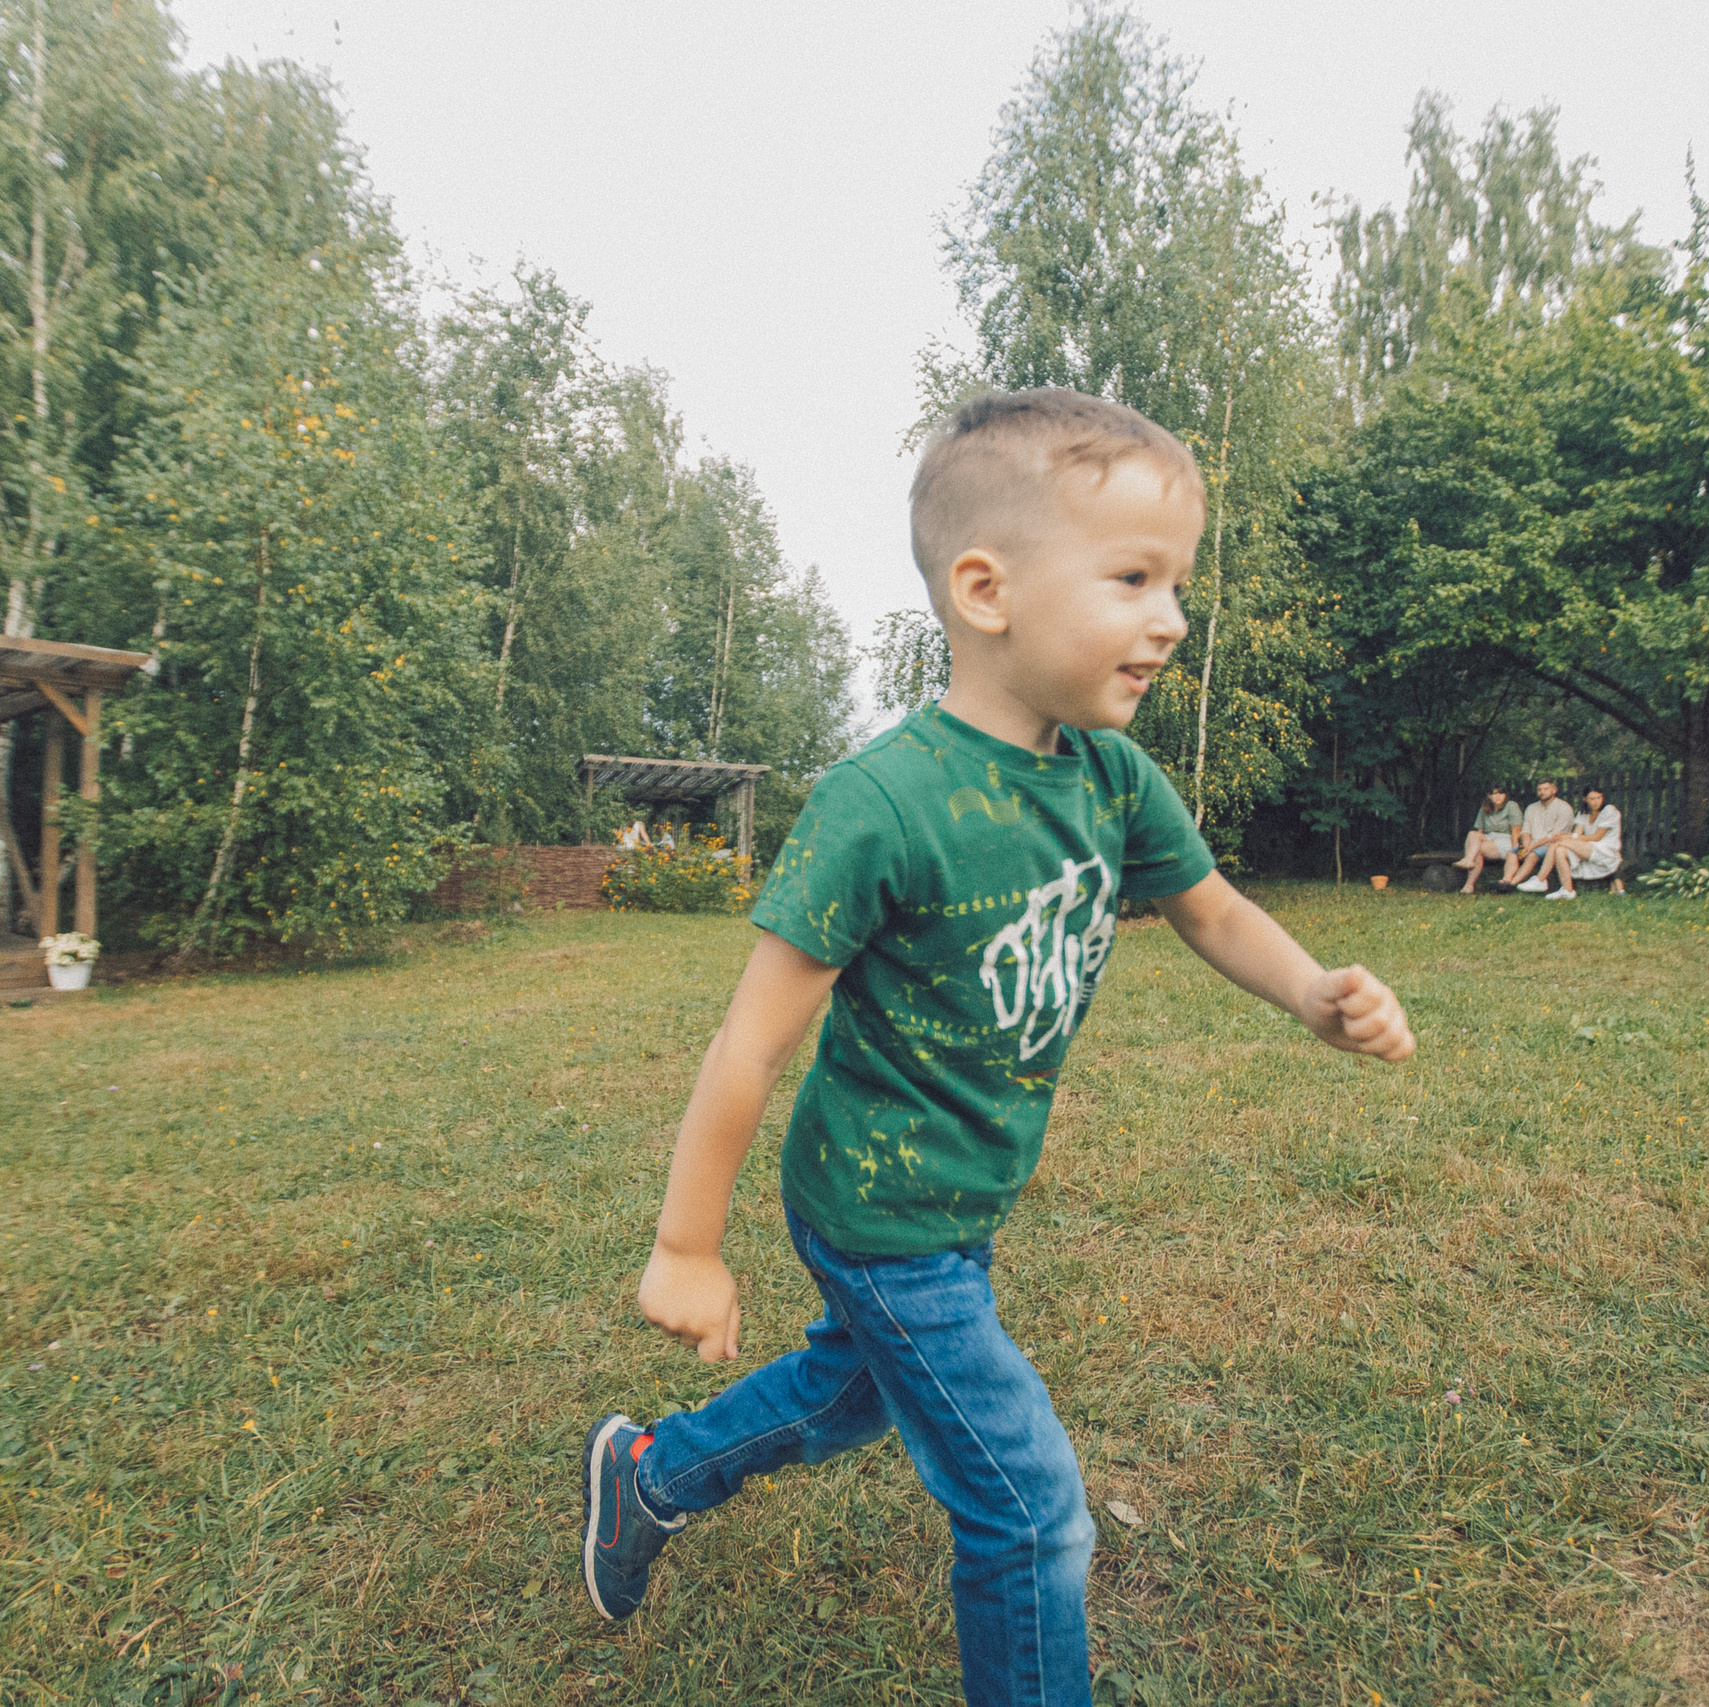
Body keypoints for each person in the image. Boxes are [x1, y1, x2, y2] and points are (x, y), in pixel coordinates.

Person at [579, 389, 1416, 1706]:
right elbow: (749, 1040)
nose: (1171, 619)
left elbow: (1207, 907)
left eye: (1176, 584)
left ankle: (653, 1473)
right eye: (1133, 578)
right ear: (987, 591)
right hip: (878, 1209)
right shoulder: (882, 802)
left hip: (964, 1195)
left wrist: (1312, 990)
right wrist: (687, 1245)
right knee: (1028, 1510)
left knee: (856, 1391)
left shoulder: (1110, 779)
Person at [1540, 787, 1623, 899]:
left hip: (1605, 850)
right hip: (1589, 847)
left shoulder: (1609, 811)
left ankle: (1540, 878)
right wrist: (1567, 836)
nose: (1596, 801)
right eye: (1592, 798)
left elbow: (1597, 837)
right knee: (1560, 850)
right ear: (1585, 799)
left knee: (1558, 842)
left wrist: (1568, 837)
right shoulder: (1583, 813)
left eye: (1599, 797)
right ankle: (1567, 890)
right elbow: (1577, 835)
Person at [1504, 779, 1575, 891]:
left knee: (1533, 855)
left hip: (1552, 844)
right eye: (1539, 790)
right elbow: (1526, 831)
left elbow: (1555, 836)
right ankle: (1506, 880)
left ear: (1554, 790)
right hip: (1531, 843)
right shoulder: (1531, 808)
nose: (1542, 792)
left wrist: (1531, 847)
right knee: (1512, 853)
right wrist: (1526, 846)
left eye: (1546, 789)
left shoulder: (1564, 808)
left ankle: (1512, 884)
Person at [1452, 786, 1523, 894]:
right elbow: (1480, 831)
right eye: (1495, 794)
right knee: (1472, 834)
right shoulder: (1484, 808)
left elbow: (1516, 831)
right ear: (1489, 796)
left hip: (1506, 839)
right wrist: (1473, 845)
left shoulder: (1511, 806)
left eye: (1501, 793)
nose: (1498, 796)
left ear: (1505, 795)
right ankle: (1468, 862)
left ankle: (1469, 884)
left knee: (1477, 849)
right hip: (1489, 838)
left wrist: (1515, 850)